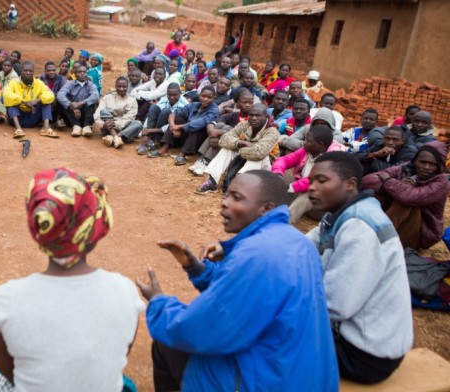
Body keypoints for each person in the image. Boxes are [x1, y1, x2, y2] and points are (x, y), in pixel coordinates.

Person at [137, 170, 338, 391]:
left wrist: (158, 302)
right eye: (226, 195)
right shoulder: (297, 242)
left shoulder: (258, 253)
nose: (224, 203)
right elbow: (249, 292)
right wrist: (195, 268)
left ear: (266, 208)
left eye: (237, 197)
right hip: (298, 371)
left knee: (168, 341)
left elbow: (202, 329)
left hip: (269, 379)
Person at [0, 167, 143, 392]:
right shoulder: (126, 293)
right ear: (94, 232)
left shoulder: (1, 303)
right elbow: (121, 354)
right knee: (124, 383)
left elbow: (11, 372)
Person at [306, 151, 413, 384]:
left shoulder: (360, 226)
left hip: (364, 354)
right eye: (311, 181)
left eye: (321, 181)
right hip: (352, 338)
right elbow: (299, 248)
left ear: (350, 184)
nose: (311, 187)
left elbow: (335, 304)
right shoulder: (339, 216)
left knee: (267, 336)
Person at [362, 141, 450, 249]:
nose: (426, 167)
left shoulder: (441, 182)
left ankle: (374, 237)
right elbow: (367, 180)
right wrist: (395, 186)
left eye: (433, 164)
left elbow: (410, 197)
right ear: (415, 161)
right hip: (397, 224)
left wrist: (390, 182)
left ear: (440, 166)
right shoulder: (405, 168)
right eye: (423, 162)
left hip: (420, 234)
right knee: (376, 193)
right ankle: (365, 228)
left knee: (405, 201)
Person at [196, 104, 279, 194]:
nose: (254, 118)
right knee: (227, 149)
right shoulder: (245, 124)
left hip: (265, 165)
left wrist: (239, 149)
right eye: (251, 115)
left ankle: (238, 188)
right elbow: (224, 139)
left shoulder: (272, 131)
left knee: (258, 157)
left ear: (266, 116)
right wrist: (240, 143)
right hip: (245, 156)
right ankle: (212, 181)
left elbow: (259, 153)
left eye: (258, 115)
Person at [272, 125, 345, 223]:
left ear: (320, 145)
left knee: (311, 192)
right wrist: (277, 175)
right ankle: (268, 205)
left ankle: (283, 223)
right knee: (277, 175)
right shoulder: (307, 150)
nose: (304, 143)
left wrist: (290, 187)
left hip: (321, 206)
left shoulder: (330, 160)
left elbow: (313, 182)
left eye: (308, 140)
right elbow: (285, 160)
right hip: (299, 193)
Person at [189, 89, 254, 176]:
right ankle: (203, 160)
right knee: (219, 125)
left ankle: (205, 162)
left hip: (238, 147)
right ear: (238, 103)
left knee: (225, 128)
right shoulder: (233, 115)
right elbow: (211, 123)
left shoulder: (253, 118)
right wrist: (213, 135)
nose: (247, 105)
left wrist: (219, 132)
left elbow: (242, 135)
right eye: (244, 102)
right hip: (226, 143)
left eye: (250, 103)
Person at [148, 86, 219, 165]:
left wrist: (178, 127)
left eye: (209, 97)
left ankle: (182, 154)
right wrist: (172, 126)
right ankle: (164, 148)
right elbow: (174, 113)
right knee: (178, 118)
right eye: (203, 96)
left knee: (196, 127)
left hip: (198, 140)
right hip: (186, 136)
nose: (205, 99)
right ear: (199, 95)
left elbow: (199, 123)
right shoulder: (194, 105)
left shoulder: (214, 110)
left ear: (214, 97)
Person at [3, 61, 56, 139]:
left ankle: (46, 128)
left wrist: (37, 100)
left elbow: (51, 95)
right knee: (11, 103)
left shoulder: (39, 83)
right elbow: (6, 94)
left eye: (30, 71)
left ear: (33, 72)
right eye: (26, 70)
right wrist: (23, 101)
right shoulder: (14, 82)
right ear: (21, 71)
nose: (28, 73)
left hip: (33, 117)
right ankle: (18, 129)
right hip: (18, 118)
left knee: (46, 102)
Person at [136, 83, 189, 155]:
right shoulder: (164, 99)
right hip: (158, 130)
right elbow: (152, 115)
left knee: (165, 111)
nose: (172, 97)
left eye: (175, 95)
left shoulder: (185, 105)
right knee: (154, 107)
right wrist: (145, 130)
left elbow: (174, 125)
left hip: (173, 135)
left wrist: (150, 130)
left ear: (180, 93)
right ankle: (149, 139)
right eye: (169, 95)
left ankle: (155, 142)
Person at [94, 76, 141, 148]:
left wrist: (115, 123)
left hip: (124, 129)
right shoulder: (107, 98)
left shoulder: (132, 101)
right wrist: (103, 125)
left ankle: (114, 137)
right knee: (103, 111)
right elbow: (97, 115)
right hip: (108, 128)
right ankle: (116, 137)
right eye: (119, 86)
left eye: (124, 87)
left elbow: (128, 119)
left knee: (138, 123)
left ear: (127, 87)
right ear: (115, 87)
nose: (121, 89)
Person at [57, 65, 100, 137]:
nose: (82, 73)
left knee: (91, 102)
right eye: (79, 72)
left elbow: (95, 96)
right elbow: (60, 95)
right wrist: (72, 106)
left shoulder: (91, 84)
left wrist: (79, 103)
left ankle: (87, 127)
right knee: (63, 102)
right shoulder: (70, 84)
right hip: (72, 115)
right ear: (75, 74)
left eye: (84, 72)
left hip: (86, 115)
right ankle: (76, 126)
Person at [281, 106, 347, 153]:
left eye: (323, 124)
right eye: (317, 123)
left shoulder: (336, 133)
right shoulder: (308, 128)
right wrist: (306, 145)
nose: (320, 126)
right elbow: (289, 140)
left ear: (330, 125)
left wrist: (310, 145)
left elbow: (329, 150)